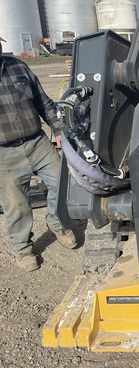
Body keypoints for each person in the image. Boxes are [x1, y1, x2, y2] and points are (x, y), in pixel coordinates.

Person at [0, 36, 76, 271]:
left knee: (64, 182)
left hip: (37, 143)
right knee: (16, 205)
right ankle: (23, 249)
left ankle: (56, 222)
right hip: (4, 154)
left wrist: (58, 130)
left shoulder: (18, 66)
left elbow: (43, 102)